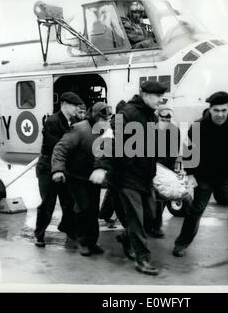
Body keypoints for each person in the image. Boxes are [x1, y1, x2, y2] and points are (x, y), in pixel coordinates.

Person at [172, 91, 228, 259]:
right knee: (196, 210)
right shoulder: (199, 126)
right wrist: (190, 175)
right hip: (203, 175)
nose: (220, 114)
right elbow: (187, 150)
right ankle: (180, 244)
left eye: (224, 110)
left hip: (226, 173)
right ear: (210, 110)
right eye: (216, 111)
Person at [90, 80, 167, 275]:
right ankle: (143, 260)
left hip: (145, 177)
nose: (161, 100)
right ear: (144, 94)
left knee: (150, 217)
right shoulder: (126, 115)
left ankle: (126, 238)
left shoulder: (152, 117)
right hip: (126, 177)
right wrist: (101, 167)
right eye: (157, 96)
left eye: (161, 96)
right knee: (137, 220)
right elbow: (109, 140)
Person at [51, 102, 113, 256]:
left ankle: (92, 241)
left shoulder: (107, 132)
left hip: (93, 177)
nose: (106, 121)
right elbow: (60, 149)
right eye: (103, 118)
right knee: (83, 208)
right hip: (76, 177)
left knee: (93, 210)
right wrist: (58, 169)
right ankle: (83, 242)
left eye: (109, 118)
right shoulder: (79, 129)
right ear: (95, 116)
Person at [34, 92, 83, 247]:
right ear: (64, 104)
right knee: (48, 203)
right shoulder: (52, 122)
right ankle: (39, 234)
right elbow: (56, 146)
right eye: (75, 105)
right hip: (48, 167)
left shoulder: (74, 121)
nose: (77, 108)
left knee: (69, 202)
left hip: (65, 167)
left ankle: (70, 230)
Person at [149, 105, 181, 238]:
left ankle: (155, 225)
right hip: (153, 165)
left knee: (159, 197)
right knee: (154, 197)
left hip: (163, 167)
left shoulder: (173, 129)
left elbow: (173, 151)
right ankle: (153, 225)